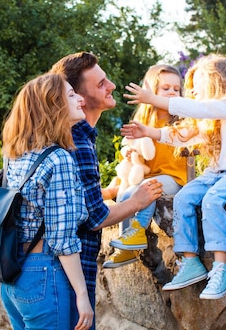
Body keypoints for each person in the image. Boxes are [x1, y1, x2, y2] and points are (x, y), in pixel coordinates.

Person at [122, 54, 226, 299]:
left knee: (212, 200)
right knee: (185, 197)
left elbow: (200, 108)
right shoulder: (216, 116)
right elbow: (182, 135)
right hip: (219, 173)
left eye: (199, 85)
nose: (194, 91)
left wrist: (152, 98)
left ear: (218, 81)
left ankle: (221, 267)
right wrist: (148, 131)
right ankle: (191, 261)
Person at [50, 52, 163, 329]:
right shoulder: (77, 139)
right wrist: (138, 201)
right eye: (101, 84)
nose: (111, 85)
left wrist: (110, 192)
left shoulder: (71, 134)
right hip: (63, 278)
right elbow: (94, 218)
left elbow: (71, 198)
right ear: (78, 96)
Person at [0, 73, 93, 330]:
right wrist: (82, 296)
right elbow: (62, 239)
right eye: (71, 94)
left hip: (13, 275)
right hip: (43, 272)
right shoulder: (58, 159)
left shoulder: (15, 154)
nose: (80, 99)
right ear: (54, 104)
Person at [103, 64, 188, 269]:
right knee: (127, 195)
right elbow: (138, 158)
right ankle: (126, 247)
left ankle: (137, 230)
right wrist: (133, 155)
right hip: (151, 176)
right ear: (151, 92)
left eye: (176, 89)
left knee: (147, 187)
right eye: (165, 88)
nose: (171, 93)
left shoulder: (182, 118)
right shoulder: (143, 120)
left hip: (176, 179)